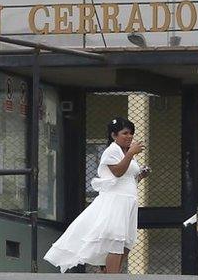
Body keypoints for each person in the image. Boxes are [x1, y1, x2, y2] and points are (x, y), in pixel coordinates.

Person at [44, 117, 149, 273]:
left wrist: (140, 175)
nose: (129, 136)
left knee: (127, 243)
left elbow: (126, 179)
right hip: (117, 202)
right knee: (116, 241)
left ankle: (110, 272)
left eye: (131, 133)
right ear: (114, 135)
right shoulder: (112, 151)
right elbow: (118, 172)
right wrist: (130, 154)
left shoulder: (126, 153)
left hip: (129, 201)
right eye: (125, 133)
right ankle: (111, 275)